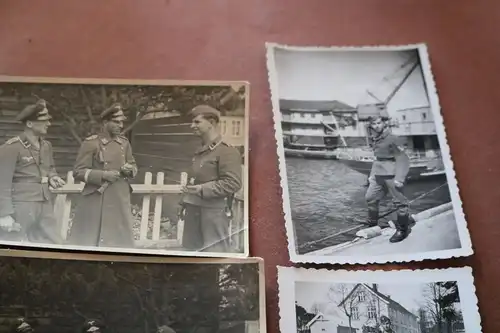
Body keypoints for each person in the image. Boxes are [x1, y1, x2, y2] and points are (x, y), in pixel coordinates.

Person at [68, 103, 138, 248]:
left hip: (119, 197)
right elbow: (78, 172)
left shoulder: (124, 144)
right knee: (89, 240)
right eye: (116, 122)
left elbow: (133, 165)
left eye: (122, 122)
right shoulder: (91, 143)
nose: (121, 125)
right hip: (96, 197)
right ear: (105, 123)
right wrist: (103, 175)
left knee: (119, 241)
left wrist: (130, 169)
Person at [0, 99, 66, 244]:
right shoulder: (12, 147)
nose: (48, 124)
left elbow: (49, 167)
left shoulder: (46, 146)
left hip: (44, 202)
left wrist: (52, 176)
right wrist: (4, 214)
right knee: (12, 243)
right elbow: (2, 182)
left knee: (55, 243)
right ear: (29, 124)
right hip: (21, 204)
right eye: (44, 121)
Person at [180, 105, 242, 253]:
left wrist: (202, 189)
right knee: (192, 255)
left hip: (213, 214)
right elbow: (194, 180)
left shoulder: (227, 151)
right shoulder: (200, 151)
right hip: (193, 210)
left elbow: (233, 183)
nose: (192, 126)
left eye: (197, 122)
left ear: (212, 123)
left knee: (214, 255)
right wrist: (184, 203)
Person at [365, 115, 411, 243]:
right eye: (374, 124)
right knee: (370, 198)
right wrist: (371, 175)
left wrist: (400, 178)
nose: (377, 126)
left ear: (384, 124)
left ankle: (402, 229)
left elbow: (403, 158)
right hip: (378, 174)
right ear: (371, 126)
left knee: (400, 202)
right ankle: (372, 225)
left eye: (379, 123)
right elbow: (377, 159)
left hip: (392, 174)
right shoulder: (375, 138)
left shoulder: (392, 138)